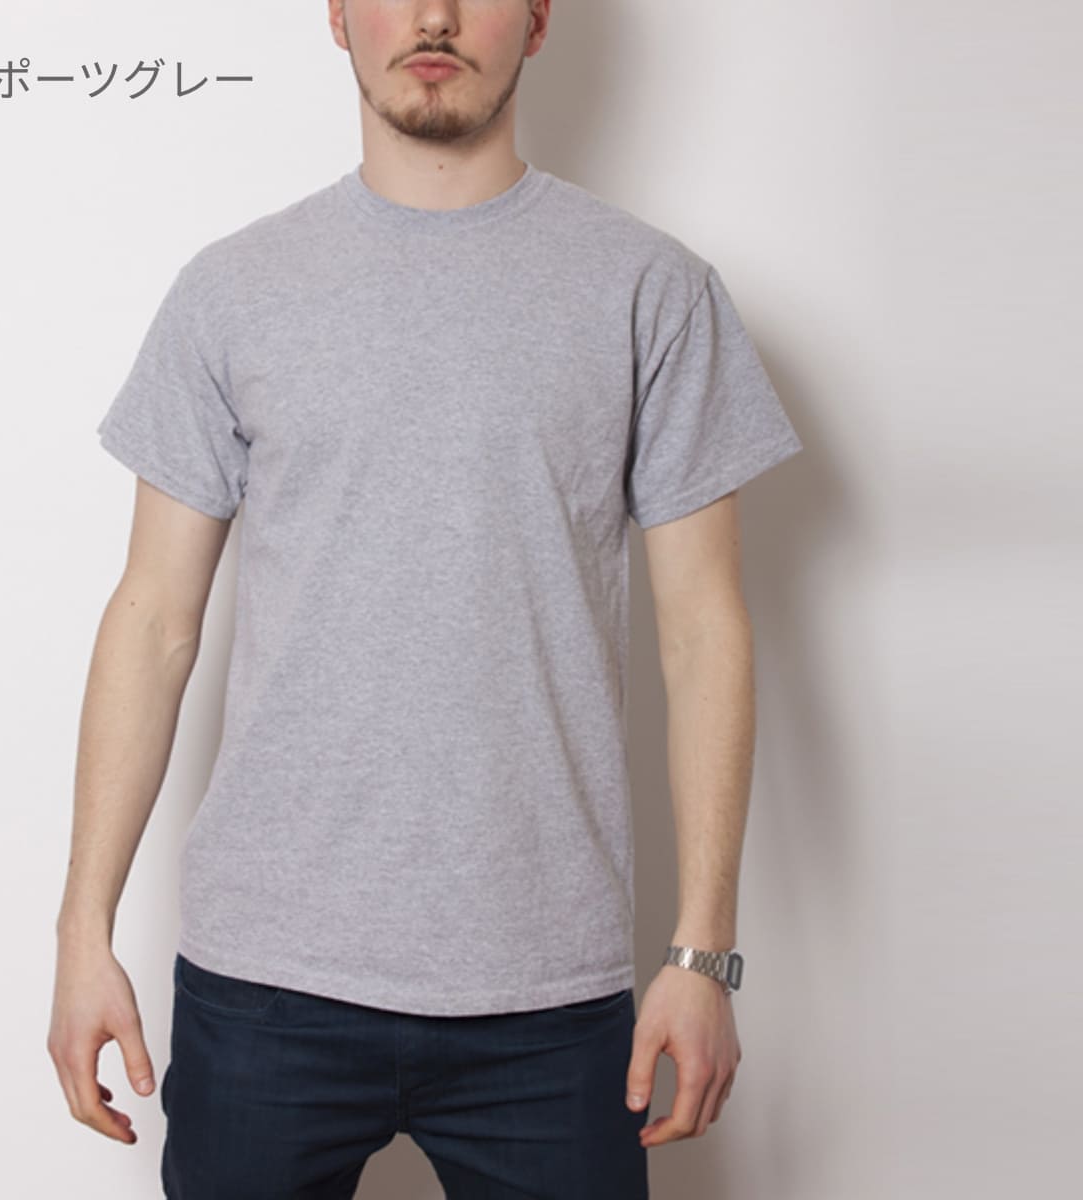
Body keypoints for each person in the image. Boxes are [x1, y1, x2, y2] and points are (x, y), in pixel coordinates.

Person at [47, 2, 803, 1196]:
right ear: (338, 16)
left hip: (550, 1000)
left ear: (540, 21)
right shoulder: (232, 291)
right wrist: (81, 933)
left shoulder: (651, 290)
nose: (436, 15)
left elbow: (706, 631)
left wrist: (704, 955)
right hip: (263, 988)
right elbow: (152, 623)